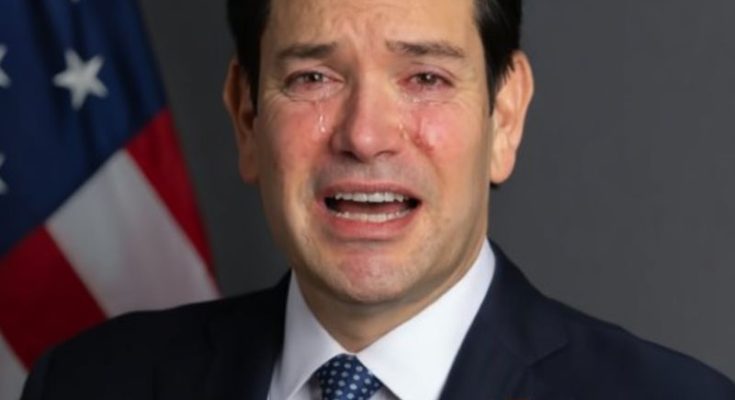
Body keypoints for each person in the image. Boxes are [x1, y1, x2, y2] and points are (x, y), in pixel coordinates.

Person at [21, 0, 735, 398]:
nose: (364, 136)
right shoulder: (84, 386)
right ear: (245, 114)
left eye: (424, 78)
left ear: (505, 115)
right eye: (313, 78)